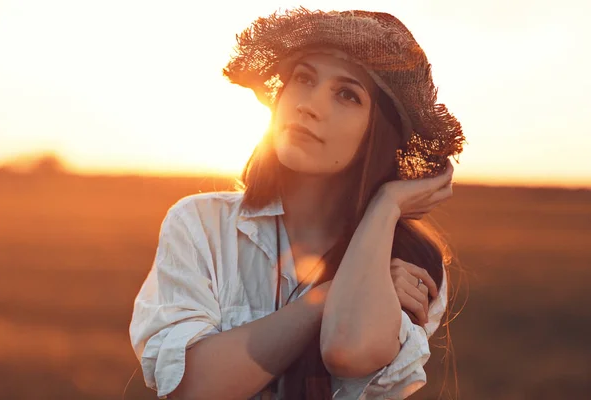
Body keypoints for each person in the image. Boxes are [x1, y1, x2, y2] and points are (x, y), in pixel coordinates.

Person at [129, 7, 465, 400]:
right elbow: (194, 388)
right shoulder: (201, 224)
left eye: (346, 94)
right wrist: (328, 297)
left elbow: (348, 351)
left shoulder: (411, 260)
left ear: (380, 133)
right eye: (304, 78)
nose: (309, 104)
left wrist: (386, 205)